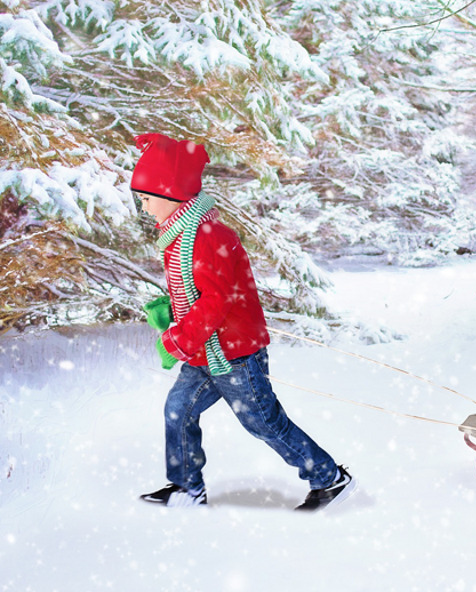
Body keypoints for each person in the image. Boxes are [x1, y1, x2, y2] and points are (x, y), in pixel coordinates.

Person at [132, 133, 353, 510]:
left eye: (148, 199)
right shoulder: (179, 235)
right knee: (178, 410)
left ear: (171, 196)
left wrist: (179, 339)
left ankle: (329, 477)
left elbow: (217, 301)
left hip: (234, 353)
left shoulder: (208, 235)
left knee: (264, 423)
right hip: (205, 353)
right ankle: (187, 487)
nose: (145, 208)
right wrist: (172, 312)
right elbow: (198, 294)